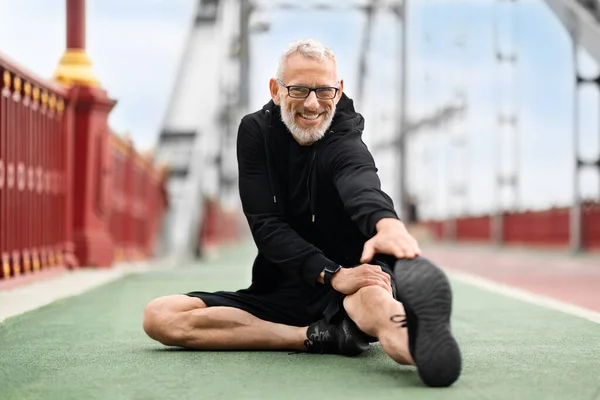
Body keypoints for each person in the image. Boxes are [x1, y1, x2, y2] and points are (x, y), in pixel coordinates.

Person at [143, 38, 461, 388]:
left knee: (376, 304)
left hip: (357, 276)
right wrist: (329, 274)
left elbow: (360, 182)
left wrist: (386, 224)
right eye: (299, 89)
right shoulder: (256, 132)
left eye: (324, 91)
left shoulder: (344, 137)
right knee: (159, 317)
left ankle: (423, 347)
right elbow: (266, 225)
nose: (312, 104)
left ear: (338, 92)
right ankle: (315, 336)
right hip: (286, 286)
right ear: (276, 90)